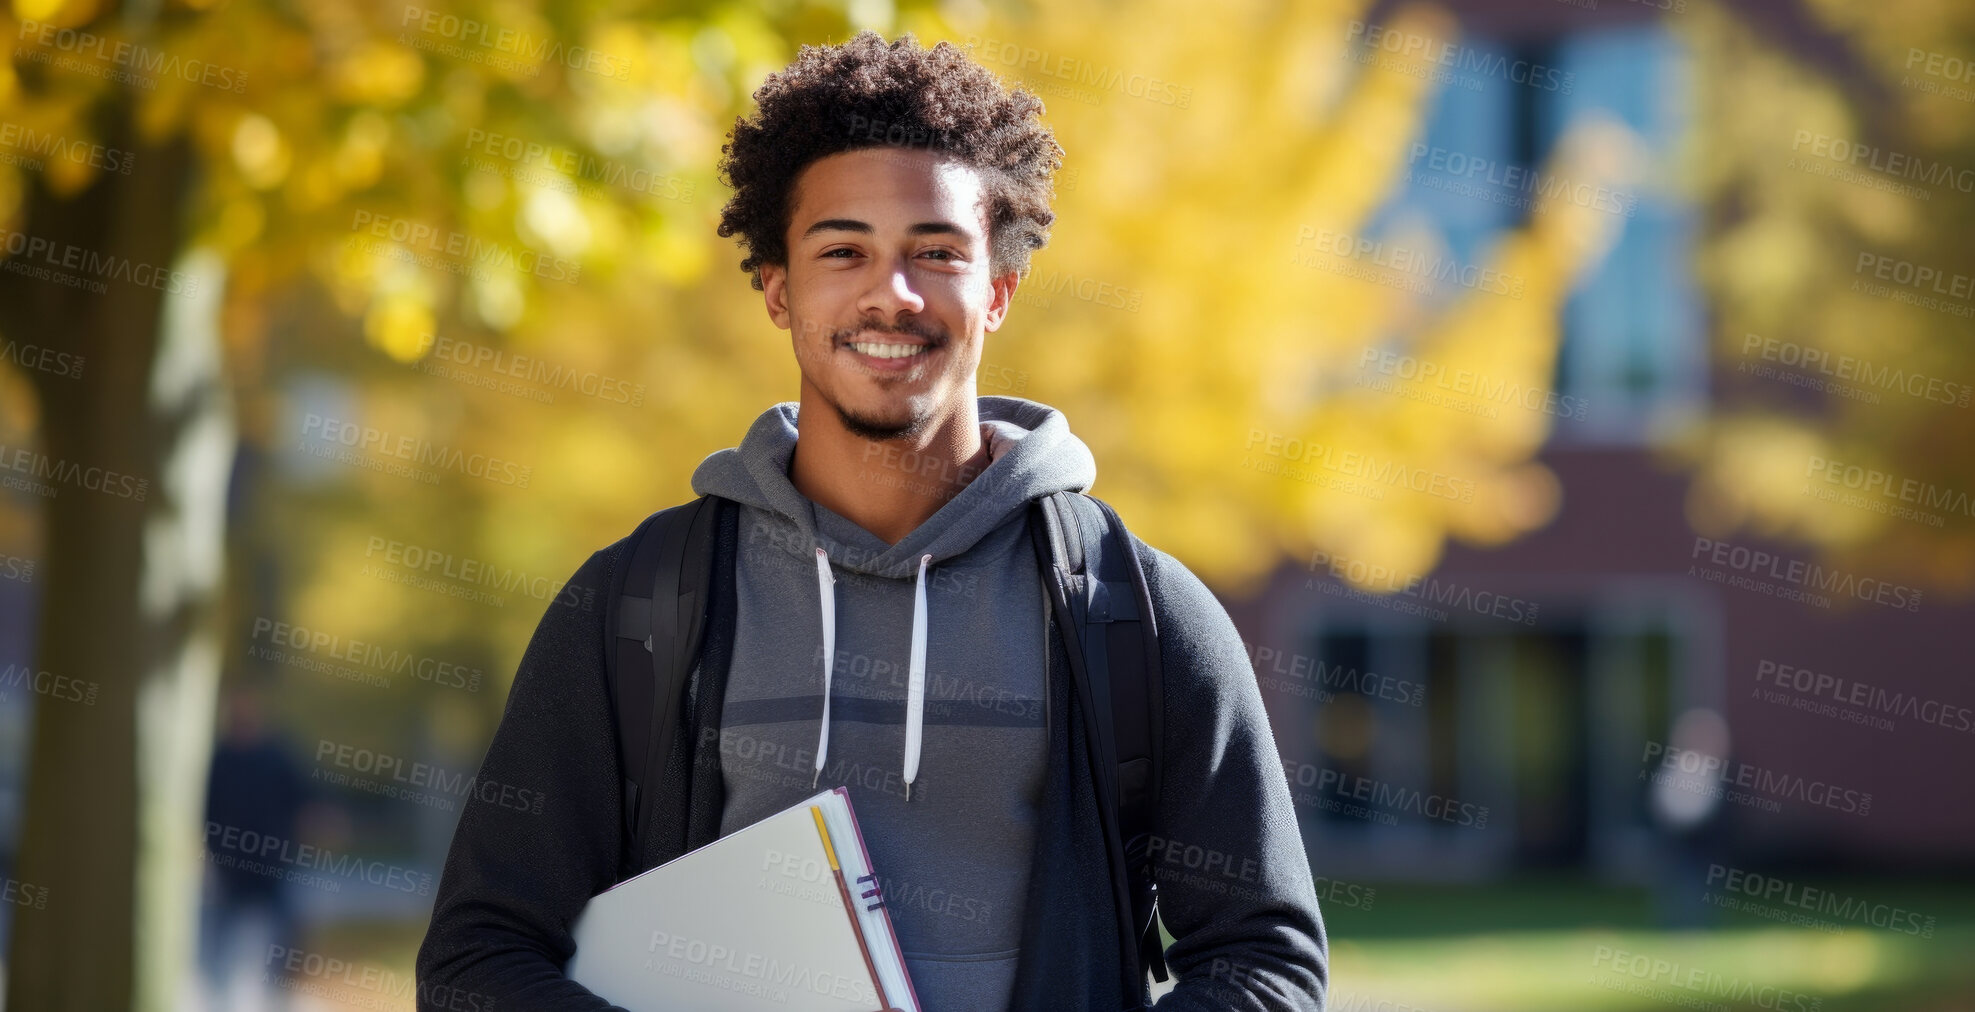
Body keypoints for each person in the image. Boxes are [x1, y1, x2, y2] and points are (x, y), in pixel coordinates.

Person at [417, 29, 1327, 1011]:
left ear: (998, 293)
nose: (890, 293)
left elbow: (1262, 960)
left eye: (934, 252)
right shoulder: (637, 604)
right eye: (841, 250)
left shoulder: (1132, 611)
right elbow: (480, 956)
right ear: (778, 290)